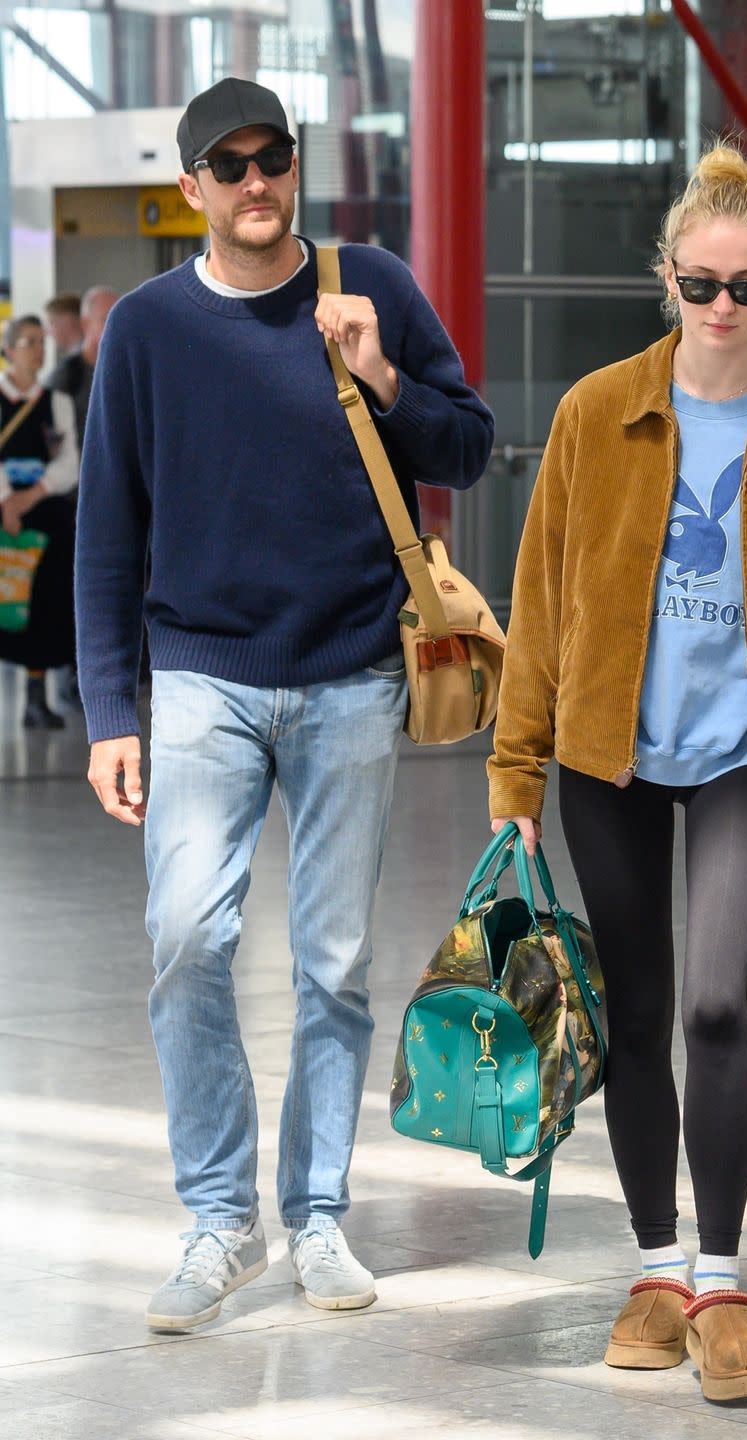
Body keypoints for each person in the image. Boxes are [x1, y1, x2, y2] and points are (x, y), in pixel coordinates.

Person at [75, 77, 494, 1333]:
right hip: (202, 678)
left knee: (333, 964)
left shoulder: (369, 285)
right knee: (189, 939)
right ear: (192, 186)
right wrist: (109, 709)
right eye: (230, 163)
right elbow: (109, 532)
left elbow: (467, 449)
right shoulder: (148, 331)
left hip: (354, 677)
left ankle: (316, 1218)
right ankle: (219, 1221)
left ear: (294, 168)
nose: (257, 182)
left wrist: (381, 374)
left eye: (275, 159)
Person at [487, 144, 747, 1402]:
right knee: (641, 1018)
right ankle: (656, 1269)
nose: (724, 309)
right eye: (702, 284)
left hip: (744, 758)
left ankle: (720, 1282)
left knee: (717, 1004)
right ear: (664, 279)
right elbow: (541, 602)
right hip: (608, 756)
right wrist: (516, 779)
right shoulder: (596, 410)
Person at [0, 315, 80, 727]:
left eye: (40, 342)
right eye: (28, 341)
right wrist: (6, 501)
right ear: (9, 349)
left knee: (45, 603)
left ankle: (37, 696)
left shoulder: (57, 402)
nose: (37, 349)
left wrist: (31, 495)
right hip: (3, 513)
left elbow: (70, 464)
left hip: (45, 513)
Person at [48, 286, 119, 451]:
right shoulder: (66, 376)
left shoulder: (127, 371)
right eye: (106, 319)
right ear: (85, 323)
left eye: (119, 319)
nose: (116, 327)